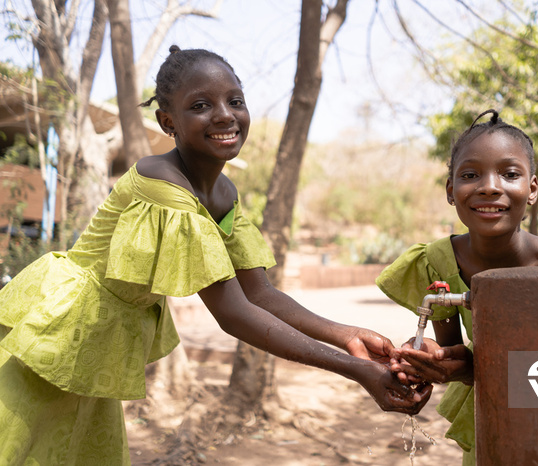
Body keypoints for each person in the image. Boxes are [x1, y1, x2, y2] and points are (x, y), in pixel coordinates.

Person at [0, 46, 430, 465]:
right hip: (61, 332)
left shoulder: (224, 194)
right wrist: (357, 371)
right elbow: (233, 312)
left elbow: (259, 294)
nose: (224, 114)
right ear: (168, 121)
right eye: (202, 105)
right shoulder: (161, 184)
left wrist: (348, 336)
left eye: (235, 101)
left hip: (101, 345)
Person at [375, 109, 538, 465]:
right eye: (469, 174)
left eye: (509, 174)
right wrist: (432, 359)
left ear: (532, 189)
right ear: (451, 191)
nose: (489, 186)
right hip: (490, 417)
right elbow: (459, 358)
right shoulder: (438, 263)